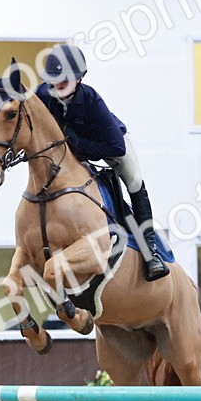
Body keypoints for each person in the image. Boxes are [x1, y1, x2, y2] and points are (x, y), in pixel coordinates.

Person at [35, 44, 169, 282]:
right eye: (54, 78)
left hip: (109, 144)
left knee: (134, 181)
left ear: (79, 78)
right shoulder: (43, 95)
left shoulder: (92, 101)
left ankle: (151, 253)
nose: (59, 83)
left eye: (65, 78)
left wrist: (77, 143)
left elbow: (116, 148)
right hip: (72, 151)